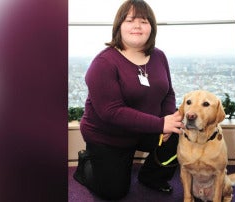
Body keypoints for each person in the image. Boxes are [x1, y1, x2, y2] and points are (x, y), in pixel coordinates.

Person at [73, 0, 184, 200]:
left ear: (152, 27)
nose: (137, 26)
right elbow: (111, 112)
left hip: (145, 129)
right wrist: (160, 124)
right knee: (113, 192)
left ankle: (151, 177)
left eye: (143, 20)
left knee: (179, 133)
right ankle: (86, 164)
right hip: (109, 136)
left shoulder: (159, 57)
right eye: (130, 20)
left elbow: (168, 92)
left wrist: (168, 120)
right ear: (119, 26)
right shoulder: (104, 63)